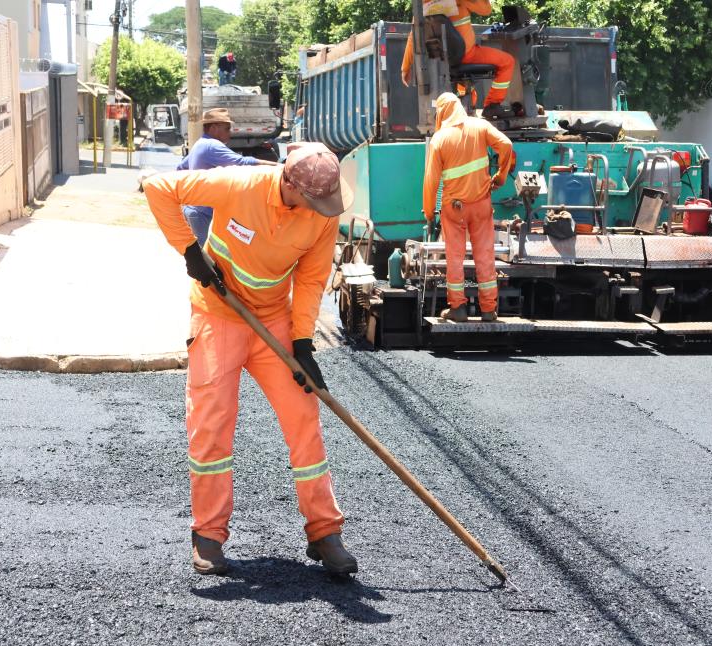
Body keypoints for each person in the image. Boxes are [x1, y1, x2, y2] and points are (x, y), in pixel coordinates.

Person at [143, 143, 358, 577]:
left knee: (304, 414)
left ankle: (324, 530)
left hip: (274, 320)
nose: (320, 210)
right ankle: (208, 533)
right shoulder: (240, 184)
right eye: (314, 201)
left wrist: (302, 343)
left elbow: (312, 278)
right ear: (290, 184)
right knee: (211, 422)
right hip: (218, 312)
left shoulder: (322, 214)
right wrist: (190, 251)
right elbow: (159, 187)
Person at [423, 92, 513, 322]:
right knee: (485, 255)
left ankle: (458, 309)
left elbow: (431, 181)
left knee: (455, 257)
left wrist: (429, 211)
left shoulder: (439, 140)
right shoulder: (480, 126)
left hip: (454, 209)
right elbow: (506, 144)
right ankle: (489, 310)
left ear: (442, 112)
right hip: (481, 205)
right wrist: (501, 176)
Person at [176, 108, 278, 246]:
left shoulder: (200, 144)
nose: (230, 132)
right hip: (204, 212)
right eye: (227, 128)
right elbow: (242, 162)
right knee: (207, 254)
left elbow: (181, 168)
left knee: (201, 253)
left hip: (194, 209)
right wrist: (277, 167)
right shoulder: (212, 145)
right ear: (214, 128)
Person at [400, 0, 515, 120]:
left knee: (467, 90)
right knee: (507, 61)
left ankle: (467, 110)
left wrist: (405, 68)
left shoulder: (421, 8)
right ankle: (492, 105)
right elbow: (486, 10)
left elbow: (413, 36)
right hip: (468, 55)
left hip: (440, 62)